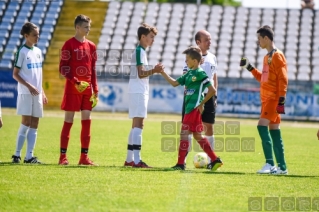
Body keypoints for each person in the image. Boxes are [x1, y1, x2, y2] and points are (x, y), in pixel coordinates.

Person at [160, 46, 223, 171]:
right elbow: (174, 83)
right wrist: (162, 72)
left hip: (193, 109)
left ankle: (180, 164)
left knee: (184, 134)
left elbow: (212, 90)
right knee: (197, 136)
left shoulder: (200, 73)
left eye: (187, 59)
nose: (186, 61)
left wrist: (201, 103)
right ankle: (215, 159)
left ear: (195, 61)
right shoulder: (188, 73)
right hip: (190, 108)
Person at [240, 25, 288, 175]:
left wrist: (281, 100)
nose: (258, 42)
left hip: (273, 99)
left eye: (259, 39)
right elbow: (263, 78)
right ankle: (282, 167)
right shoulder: (266, 57)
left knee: (261, 127)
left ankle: (269, 163)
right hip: (267, 99)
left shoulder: (277, 56)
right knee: (274, 131)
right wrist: (250, 68)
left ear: (266, 38)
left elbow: (283, 78)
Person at [59, 14, 99, 166]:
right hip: (72, 88)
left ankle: (84, 158)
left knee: (87, 122)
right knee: (69, 121)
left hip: (87, 90)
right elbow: (62, 68)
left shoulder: (92, 46)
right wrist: (75, 81)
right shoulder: (68, 45)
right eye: (86, 27)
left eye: (89, 27)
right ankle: (62, 157)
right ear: (77, 27)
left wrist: (95, 89)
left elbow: (93, 69)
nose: (88, 29)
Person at [124, 23, 164, 168]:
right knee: (139, 124)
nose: (153, 40)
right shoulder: (140, 51)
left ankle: (129, 160)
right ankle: (137, 160)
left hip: (136, 90)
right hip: (138, 91)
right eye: (151, 37)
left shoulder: (140, 51)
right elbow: (141, 74)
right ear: (143, 37)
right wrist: (155, 70)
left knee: (135, 124)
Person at [11, 22, 48, 164]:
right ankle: (16, 154)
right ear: (26, 36)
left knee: (35, 123)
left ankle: (29, 156)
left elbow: (37, 74)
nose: (37, 37)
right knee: (26, 122)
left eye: (38, 34)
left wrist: (42, 92)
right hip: (26, 93)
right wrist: (29, 86)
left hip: (37, 94)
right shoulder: (22, 51)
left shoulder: (38, 51)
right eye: (34, 35)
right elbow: (15, 74)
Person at [182, 30, 218, 165]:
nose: (210, 42)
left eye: (210, 39)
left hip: (208, 97)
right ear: (198, 42)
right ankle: (183, 160)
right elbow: (185, 77)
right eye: (206, 40)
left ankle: (211, 161)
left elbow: (214, 77)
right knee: (188, 129)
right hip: (192, 98)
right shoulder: (191, 58)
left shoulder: (213, 57)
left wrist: (215, 96)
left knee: (209, 126)